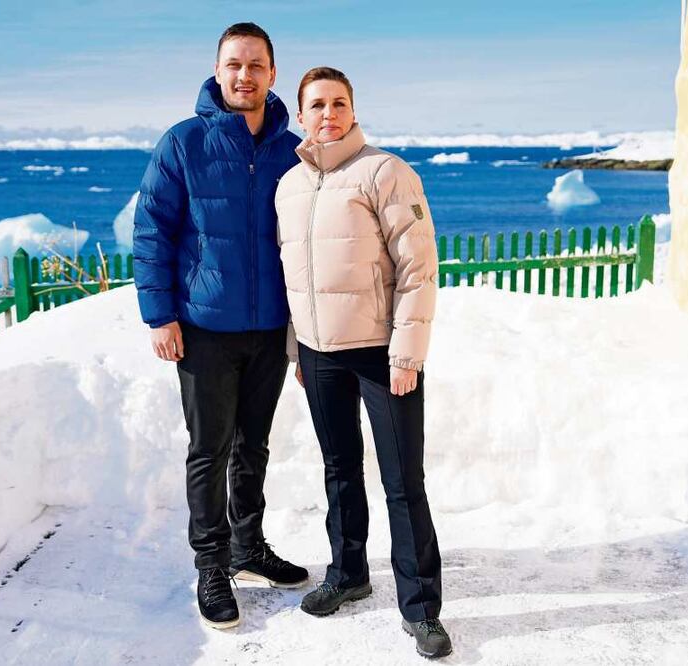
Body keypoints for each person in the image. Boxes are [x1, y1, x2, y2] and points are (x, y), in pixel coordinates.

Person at [132, 22, 307, 631]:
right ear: (217, 69)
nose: (244, 75)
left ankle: (248, 547)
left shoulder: (294, 150)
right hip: (204, 327)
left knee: (253, 446)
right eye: (234, 64)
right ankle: (211, 565)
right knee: (209, 450)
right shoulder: (183, 143)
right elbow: (152, 230)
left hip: (268, 329)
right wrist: (160, 315)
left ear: (272, 74)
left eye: (255, 65)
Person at [275, 67, 452, 659]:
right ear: (301, 115)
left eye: (339, 103)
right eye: (317, 104)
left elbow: (418, 269)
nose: (329, 114)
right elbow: (292, 278)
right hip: (321, 356)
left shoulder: (384, 171)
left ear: (354, 110)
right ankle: (349, 573)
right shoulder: (289, 186)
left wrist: (406, 354)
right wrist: (298, 348)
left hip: (381, 355)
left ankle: (421, 609)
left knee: (404, 482)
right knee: (339, 470)